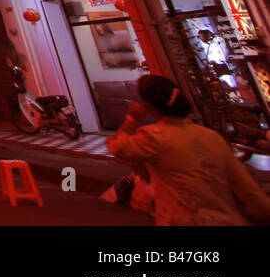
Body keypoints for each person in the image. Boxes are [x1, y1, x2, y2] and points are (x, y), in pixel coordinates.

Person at [107, 75, 270, 225]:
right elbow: (246, 188)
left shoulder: (154, 137)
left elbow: (119, 147)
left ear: (149, 106)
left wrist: (132, 119)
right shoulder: (211, 136)